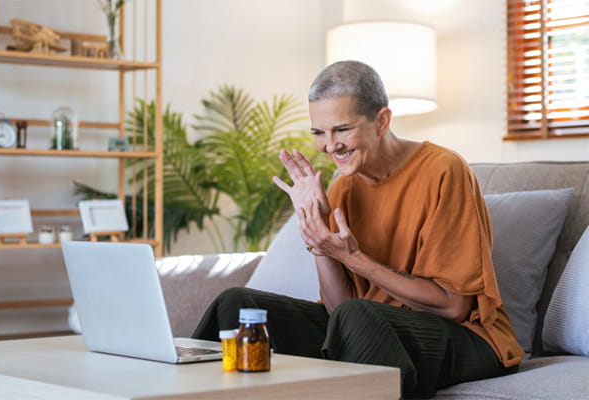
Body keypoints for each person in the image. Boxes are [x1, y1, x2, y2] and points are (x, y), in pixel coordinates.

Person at [192, 60, 524, 398]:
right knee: (236, 304)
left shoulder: (443, 170)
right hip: (369, 330)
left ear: (381, 121)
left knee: (358, 315)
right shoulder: (343, 189)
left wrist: (355, 259)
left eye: (342, 129)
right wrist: (319, 237)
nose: (330, 145)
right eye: (319, 133)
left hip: (468, 336)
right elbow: (338, 312)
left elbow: (455, 306)